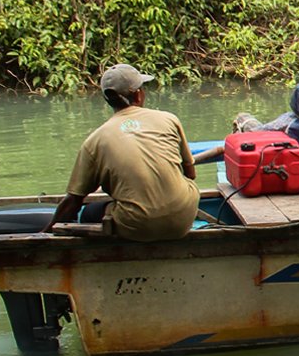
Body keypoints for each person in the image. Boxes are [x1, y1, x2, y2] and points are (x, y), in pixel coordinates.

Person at [44, 64, 200, 240]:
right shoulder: (169, 119)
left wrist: (45, 233)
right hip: (185, 216)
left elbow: (73, 201)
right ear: (138, 94)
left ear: (107, 99)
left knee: (89, 213)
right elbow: (191, 174)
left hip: (138, 226)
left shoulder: (95, 140)